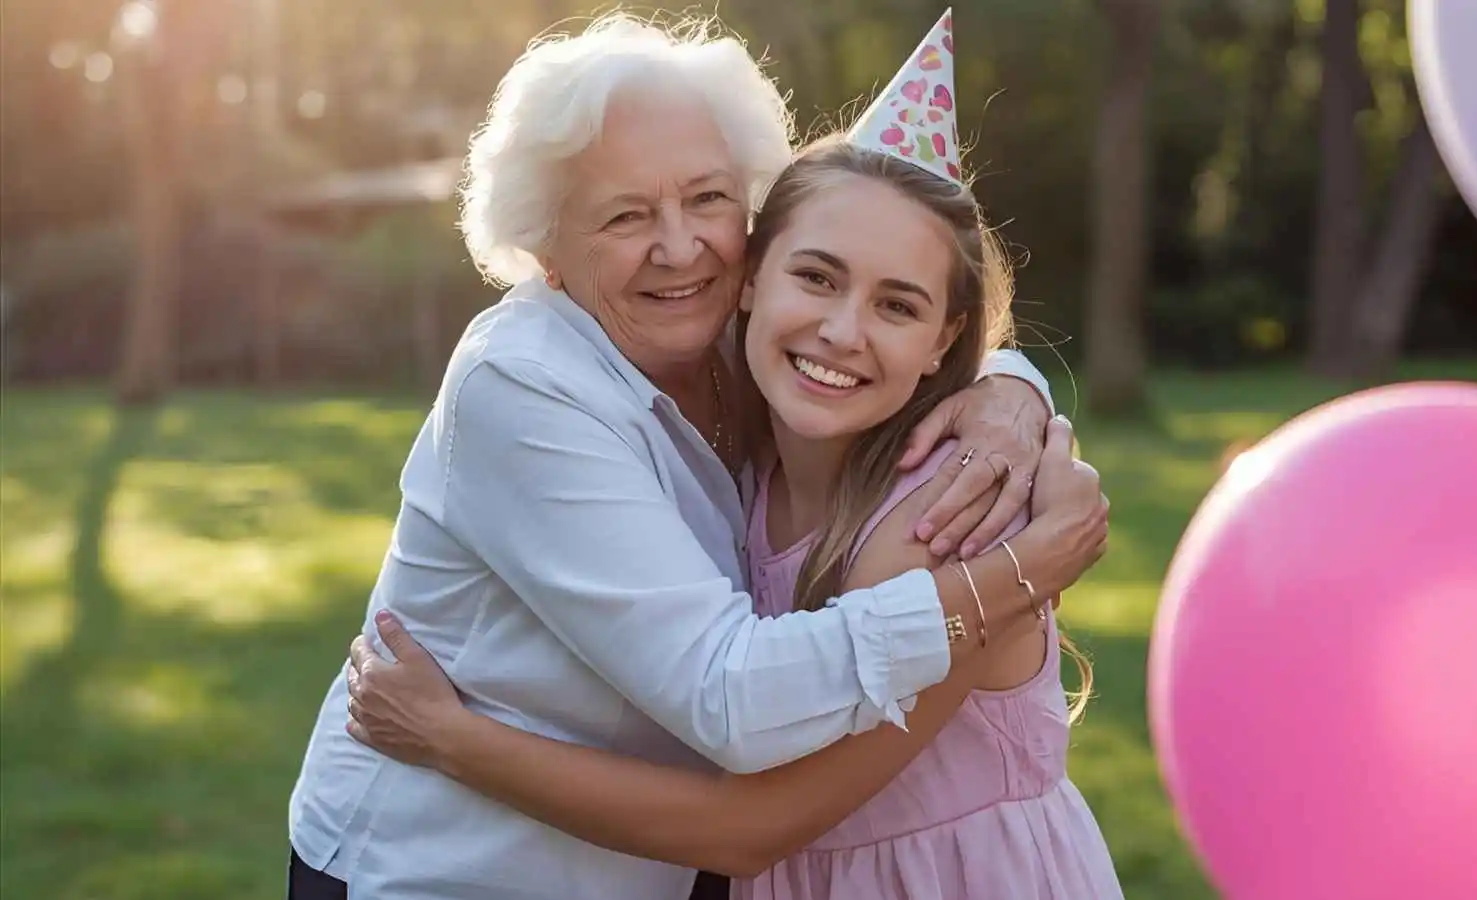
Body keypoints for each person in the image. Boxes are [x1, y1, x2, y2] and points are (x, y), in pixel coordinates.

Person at [286, 13, 1110, 900]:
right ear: (545, 247)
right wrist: (1012, 580)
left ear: (748, 235)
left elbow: (872, 311)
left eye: (709, 199)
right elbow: (734, 702)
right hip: (455, 870)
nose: (679, 248)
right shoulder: (523, 387)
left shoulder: (741, 349)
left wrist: (1010, 388)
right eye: (625, 214)